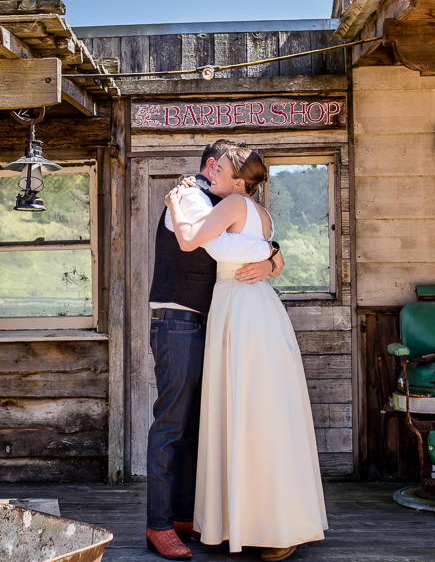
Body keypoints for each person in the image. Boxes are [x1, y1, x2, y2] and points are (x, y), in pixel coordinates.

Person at [165, 145, 327, 562]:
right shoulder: (263, 214)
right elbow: (266, 250)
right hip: (261, 309)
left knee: (246, 413)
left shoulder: (233, 202)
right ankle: (270, 522)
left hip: (240, 309)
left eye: (221, 169)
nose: (212, 172)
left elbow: (188, 240)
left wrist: (174, 201)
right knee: (263, 414)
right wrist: (273, 260)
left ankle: (257, 523)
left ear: (240, 182)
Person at [145, 139, 282, 561]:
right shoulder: (189, 195)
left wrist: (274, 259)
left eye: (232, 174)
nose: (226, 178)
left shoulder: (228, 203)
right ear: (210, 168)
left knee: (195, 426)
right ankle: (159, 525)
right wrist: (272, 254)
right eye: (221, 170)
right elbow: (212, 245)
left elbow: (248, 243)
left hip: (212, 323)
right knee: (171, 425)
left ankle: (186, 515)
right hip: (177, 320)